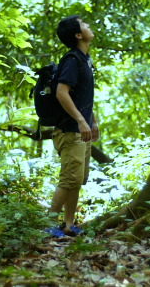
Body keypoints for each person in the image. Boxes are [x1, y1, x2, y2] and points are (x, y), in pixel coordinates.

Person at [47, 15, 99, 236]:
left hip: (81, 129)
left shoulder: (84, 59)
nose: (88, 26)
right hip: (69, 130)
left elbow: (82, 96)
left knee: (76, 180)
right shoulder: (71, 60)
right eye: (84, 25)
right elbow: (61, 93)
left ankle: (68, 224)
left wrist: (92, 121)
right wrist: (79, 120)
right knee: (69, 178)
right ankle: (49, 225)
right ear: (78, 35)